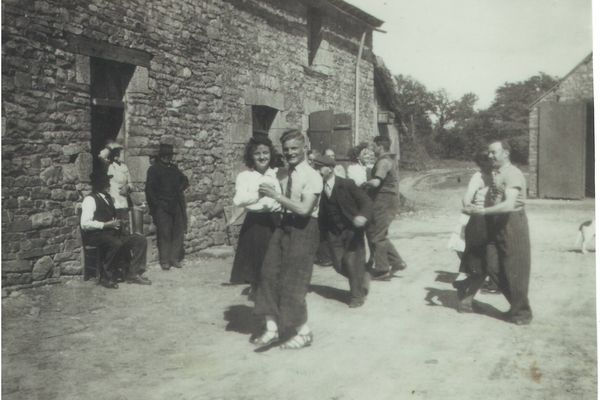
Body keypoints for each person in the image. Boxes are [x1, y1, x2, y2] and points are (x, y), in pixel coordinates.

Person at [252, 129, 323, 350]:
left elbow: (304, 209)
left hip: (304, 228)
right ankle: (272, 329)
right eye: (286, 149)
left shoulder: (313, 176)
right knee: (267, 274)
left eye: (294, 148)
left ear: (304, 148)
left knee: (294, 282)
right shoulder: (283, 174)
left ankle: (303, 332)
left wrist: (277, 196)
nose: (290, 153)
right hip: (284, 226)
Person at [462, 140, 533, 325]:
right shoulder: (496, 173)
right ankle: (517, 306)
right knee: (491, 265)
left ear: (506, 153)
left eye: (494, 153)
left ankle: (521, 313)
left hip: (512, 223)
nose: (490, 156)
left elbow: (509, 204)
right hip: (496, 222)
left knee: (515, 268)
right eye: (489, 153)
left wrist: (483, 211)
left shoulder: (513, 174)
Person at [313, 154, 373, 308]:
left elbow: (366, 201)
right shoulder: (318, 187)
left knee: (351, 262)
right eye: (315, 167)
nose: (317, 170)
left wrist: (362, 216)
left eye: (320, 167)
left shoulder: (347, 184)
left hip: (352, 230)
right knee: (339, 265)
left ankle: (356, 297)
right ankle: (363, 276)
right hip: (333, 233)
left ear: (331, 169)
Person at [229, 135, 282, 298]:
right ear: (251, 156)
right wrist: (258, 195)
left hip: (275, 221)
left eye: (265, 152)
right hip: (255, 224)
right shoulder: (244, 176)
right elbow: (239, 200)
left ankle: (270, 293)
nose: (262, 157)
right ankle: (259, 291)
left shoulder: (277, 174)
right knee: (256, 262)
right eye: (257, 153)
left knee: (275, 261)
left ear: (271, 154)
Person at [80, 170, 151, 288]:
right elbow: (85, 224)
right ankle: (106, 277)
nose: (108, 185)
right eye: (106, 183)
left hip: (111, 233)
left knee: (140, 239)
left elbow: (111, 216)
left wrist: (119, 223)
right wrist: (106, 225)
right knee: (116, 243)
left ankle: (133, 273)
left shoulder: (108, 198)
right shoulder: (90, 200)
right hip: (95, 235)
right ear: (99, 185)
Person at [451, 150, 495, 297]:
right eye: (488, 161)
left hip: (492, 216)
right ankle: (469, 282)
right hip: (480, 217)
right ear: (482, 163)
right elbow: (466, 199)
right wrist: (473, 210)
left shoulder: (495, 175)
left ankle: (484, 281)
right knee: (469, 250)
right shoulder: (478, 177)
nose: (491, 163)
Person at [363, 136, 407, 280]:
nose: (372, 149)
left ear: (380, 146)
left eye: (374, 146)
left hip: (384, 201)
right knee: (379, 233)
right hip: (387, 201)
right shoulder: (389, 160)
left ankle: (383, 270)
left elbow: (376, 182)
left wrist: (362, 183)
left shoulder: (383, 162)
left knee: (377, 236)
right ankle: (397, 261)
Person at [145, 143, 189, 271]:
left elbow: (185, 180)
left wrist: (179, 189)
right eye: (167, 156)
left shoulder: (174, 168)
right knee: (164, 232)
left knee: (178, 231)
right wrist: (157, 205)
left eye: (170, 156)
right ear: (162, 156)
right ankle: (164, 261)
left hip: (176, 205)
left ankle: (174, 258)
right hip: (162, 206)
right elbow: (149, 190)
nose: (169, 158)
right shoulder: (154, 169)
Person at [106, 143, 133, 230]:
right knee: (115, 223)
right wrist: (110, 148)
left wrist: (127, 188)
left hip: (124, 199)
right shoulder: (108, 166)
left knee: (125, 224)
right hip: (113, 199)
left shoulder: (124, 167)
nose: (117, 155)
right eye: (115, 153)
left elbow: (131, 183)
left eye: (118, 153)